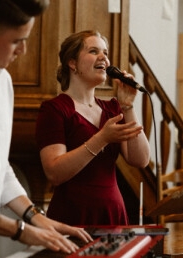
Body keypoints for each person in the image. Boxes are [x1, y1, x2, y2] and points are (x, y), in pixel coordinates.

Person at [0, 0, 92, 256]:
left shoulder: (2, 82)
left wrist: (36, 217)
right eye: (18, 40)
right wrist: (20, 230)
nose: (23, 50)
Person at [36, 30, 151, 226]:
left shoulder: (112, 108)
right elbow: (54, 173)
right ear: (72, 63)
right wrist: (102, 138)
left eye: (105, 53)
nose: (104, 58)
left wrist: (128, 106)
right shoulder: (54, 109)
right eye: (93, 51)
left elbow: (140, 159)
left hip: (113, 212)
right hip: (73, 214)